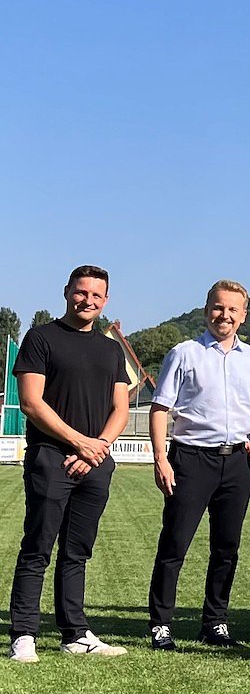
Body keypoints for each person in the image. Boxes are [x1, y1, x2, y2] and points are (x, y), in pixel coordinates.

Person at [9, 265, 130, 662]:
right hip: (50, 459)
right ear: (67, 292)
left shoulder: (111, 349)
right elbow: (31, 403)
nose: (87, 300)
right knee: (37, 549)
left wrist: (99, 447)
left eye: (96, 295)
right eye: (81, 292)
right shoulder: (41, 338)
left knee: (77, 552)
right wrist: (80, 443)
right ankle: (23, 634)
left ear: (106, 300)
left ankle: (75, 634)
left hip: (96, 461)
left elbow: (120, 407)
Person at [147, 280, 250, 650]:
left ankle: (215, 623)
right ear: (206, 310)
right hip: (190, 459)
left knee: (227, 548)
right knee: (175, 544)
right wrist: (160, 458)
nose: (225, 315)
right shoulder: (184, 353)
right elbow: (159, 408)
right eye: (218, 307)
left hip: (237, 462)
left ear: (244, 316)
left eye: (233, 309)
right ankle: (161, 624)